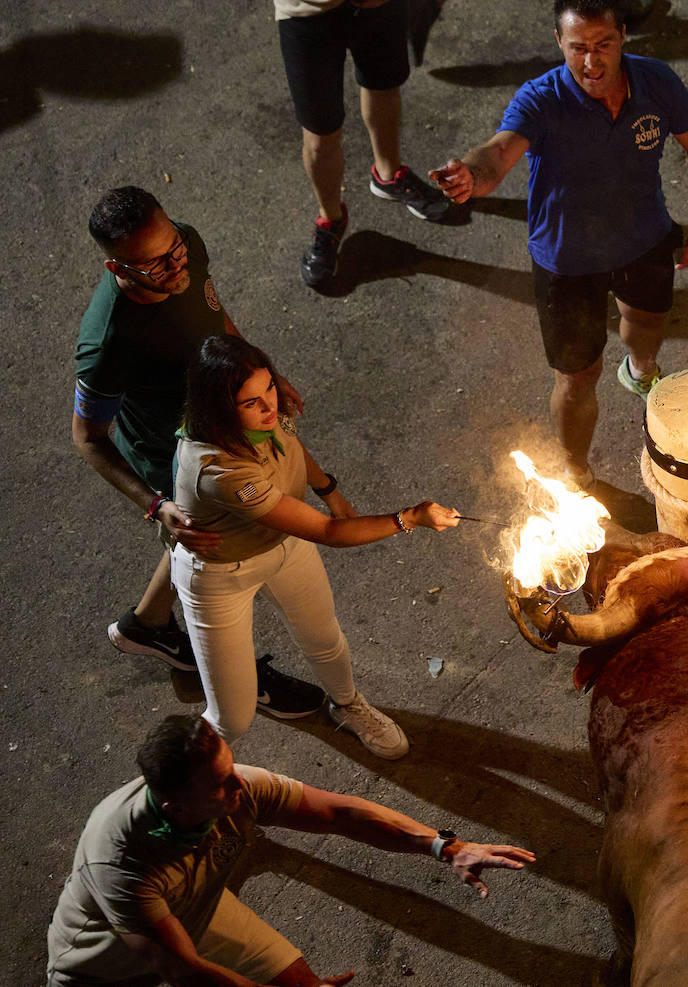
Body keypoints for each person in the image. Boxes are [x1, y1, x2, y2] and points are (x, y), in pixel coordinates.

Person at [430, 0, 688, 488]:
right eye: (578, 48)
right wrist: (472, 175)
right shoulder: (540, 99)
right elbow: (498, 152)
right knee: (577, 378)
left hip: (644, 238)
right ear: (559, 44)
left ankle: (641, 369)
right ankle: (575, 471)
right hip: (567, 263)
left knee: (647, 322)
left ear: (623, 37)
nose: (592, 62)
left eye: (603, 45)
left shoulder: (656, 82)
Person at [47, 714, 535, 986]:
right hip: (106, 972)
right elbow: (184, 973)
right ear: (175, 806)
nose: (241, 783)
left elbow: (341, 814)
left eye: (233, 767)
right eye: (220, 782)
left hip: (195, 911)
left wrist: (445, 847)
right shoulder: (120, 862)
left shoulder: (235, 790)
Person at [74, 187, 311, 710]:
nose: (175, 266)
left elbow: (214, 317)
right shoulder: (108, 344)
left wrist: (262, 370)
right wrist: (158, 506)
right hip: (175, 460)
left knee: (194, 548)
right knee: (216, 564)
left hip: (221, 427)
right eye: (156, 265)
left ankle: (146, 626)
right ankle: (235, 681)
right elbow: (87, 439)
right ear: (118, 266)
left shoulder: (182, 248)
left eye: (175, 247)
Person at [171, 334, 462, 758]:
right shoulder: (219, 470)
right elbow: (327, 533)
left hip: (282, 545)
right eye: (251, 402)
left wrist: (326, 487)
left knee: (325, 639)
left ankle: (348, 706)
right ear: (218, 409)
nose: (270, 406)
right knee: (232, 717)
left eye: (268, 387)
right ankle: (180, 782)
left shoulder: (268, 416)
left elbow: (290, 444)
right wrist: (410, 518)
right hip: (221, 574)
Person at [275, 0, 450, 287]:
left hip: (379, 5)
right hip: (306, 12)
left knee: (383, 87)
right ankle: (330, 219)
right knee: (320, 135)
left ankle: (388, 175)